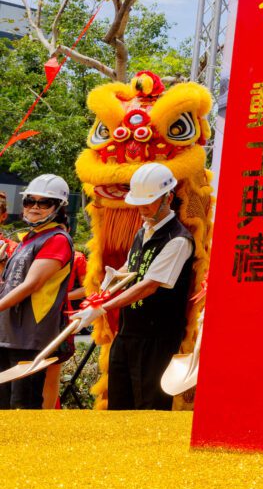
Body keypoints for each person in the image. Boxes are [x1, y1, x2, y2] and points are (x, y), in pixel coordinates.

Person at [73, 163, 194, 411]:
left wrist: (103, 307)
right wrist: (111, 281)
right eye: (137, 201)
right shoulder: (142, 232)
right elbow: (130, 272)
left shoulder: (178, 240)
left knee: (148, 408)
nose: (141, 208)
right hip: (128, 332)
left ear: (168, 198)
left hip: (156, 339)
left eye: (148, 202)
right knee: (119, 404)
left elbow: (149, 285)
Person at [0, 174, 74, 409]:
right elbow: (9, 285)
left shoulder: (57, 239)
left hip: (31, 337)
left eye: (44, 203)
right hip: (8, 334)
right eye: (29, 201)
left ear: (59, 207)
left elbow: (31, 284)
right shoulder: (27, 239)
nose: (34, 207)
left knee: (22, 407)